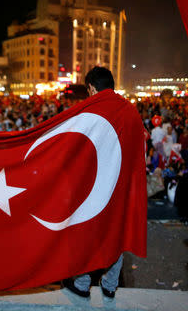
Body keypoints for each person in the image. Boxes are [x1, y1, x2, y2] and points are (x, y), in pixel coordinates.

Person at [61, 67, 144, 299]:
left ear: (91, 87)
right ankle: (110, 285)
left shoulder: (90, 110)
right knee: (117, 233)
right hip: (122, 187)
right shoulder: (131, 111)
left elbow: (75, 149)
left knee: (88, 231)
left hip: (95, 186)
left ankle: (82, 282)